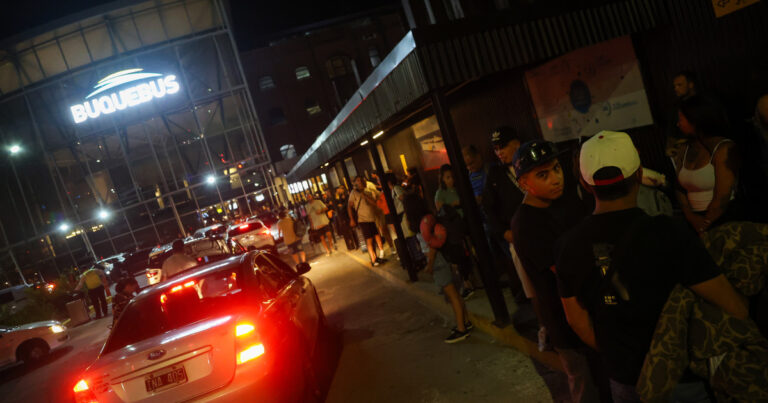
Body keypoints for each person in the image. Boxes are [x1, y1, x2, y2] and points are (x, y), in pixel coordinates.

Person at [555, 131, 749, 403]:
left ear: (586, 186)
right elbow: (732, 305)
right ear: (638, 176)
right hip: (678, 377)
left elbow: (575, 319)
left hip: (624, 379)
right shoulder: (669, 233)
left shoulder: (568, 246)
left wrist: (618, 353)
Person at [509, 140, 597, 403]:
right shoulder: (525, 223)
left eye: (557, 169)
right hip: (565, 319)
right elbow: (564, 270)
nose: (556, 179)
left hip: (590, 307)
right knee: (585, 386)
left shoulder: (564, 201)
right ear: (523, 183)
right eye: (543, 175)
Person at [405, 194, 472, 343]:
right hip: (442, 259)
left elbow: (432, 247)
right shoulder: (428, 219)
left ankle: (462, 329)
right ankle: (465, 322)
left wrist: (429, 265)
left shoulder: (424, 224)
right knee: (454, 293)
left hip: (438, 261)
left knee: (452, 295)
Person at [674, 95, 740, 233]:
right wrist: (691, 217)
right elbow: (679, 189)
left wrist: (706, 223)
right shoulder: (683, 150)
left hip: (725, 217)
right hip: (694, 219)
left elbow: (723, 195)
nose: (678, 124)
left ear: (696, 120)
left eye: (681, 119)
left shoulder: (723, 148)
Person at [348, 176, 387, 266]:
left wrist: (365, 196)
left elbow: (374, 204)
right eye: (357, 181)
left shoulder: (367, 191)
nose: (360, 182)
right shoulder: (353, 193)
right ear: (355, 183)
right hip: (362, 219)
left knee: (376, 236)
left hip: (372, 218)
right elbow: (349, 206)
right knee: (369, 239)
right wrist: (352, 219)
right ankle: (373, 259)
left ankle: (378, 256)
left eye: (361, 180)